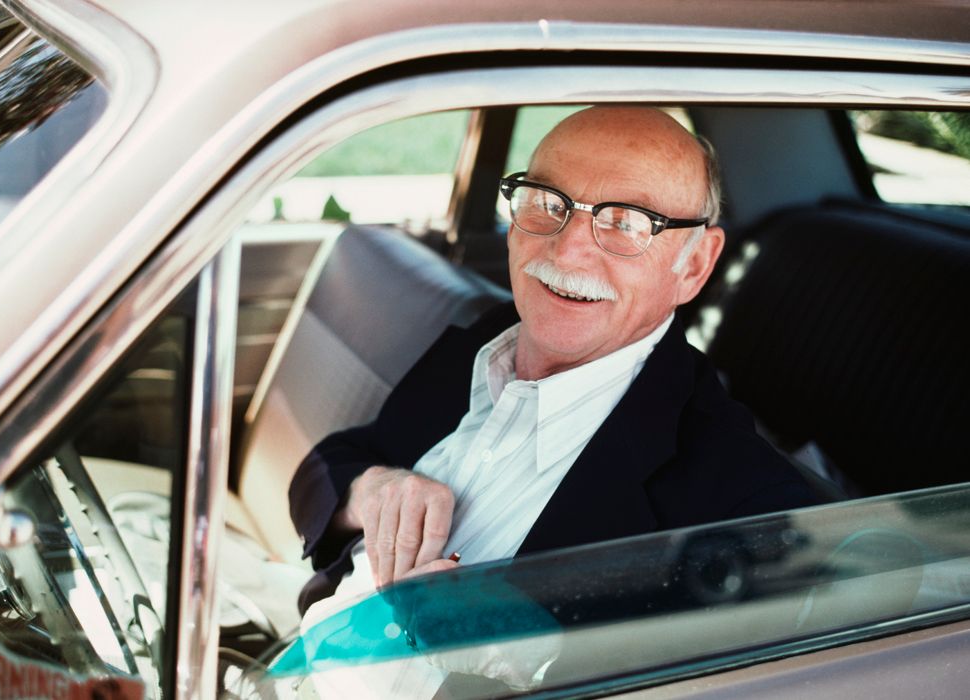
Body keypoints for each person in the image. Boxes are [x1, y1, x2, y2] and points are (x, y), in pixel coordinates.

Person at [289, 106, 821, 614]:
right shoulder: (489, 335)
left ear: (695, 265)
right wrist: (369, 490)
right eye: (547, 202)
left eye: (627, 222)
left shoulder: (744, 505)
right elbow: (334, 459)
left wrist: (507, 651)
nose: (567, 252)